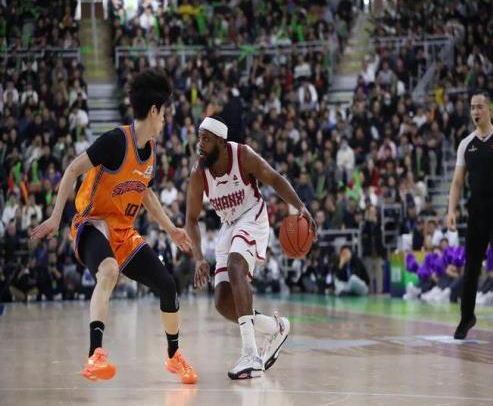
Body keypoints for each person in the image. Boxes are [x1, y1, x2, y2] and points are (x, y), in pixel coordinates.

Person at [31, 69, 198, 384]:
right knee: (108, 271)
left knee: (167, 285)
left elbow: (145, 193)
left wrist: (171, 229)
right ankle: (95, 355)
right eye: (164, 112)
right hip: (91, 223)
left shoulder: (151, 151)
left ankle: (174, 356)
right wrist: (55, 216)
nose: (165, 119)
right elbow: (72, 169)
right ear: (154, 111)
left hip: (123, 232)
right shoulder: (115, 141)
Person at [186, 116, 316, 379]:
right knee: (223, 303)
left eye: (206, 139)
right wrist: (199, 258)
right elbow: (191, 219)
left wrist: (300, 206)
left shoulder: (243, 155)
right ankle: (275, 328)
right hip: (228, 225)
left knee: (236, 266)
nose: (200, 144)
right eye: (199, 138)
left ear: (221, 142)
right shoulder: (199, 173)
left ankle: (250, 354)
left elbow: (275, 179)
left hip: (252, 217)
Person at [446, 90, 493, 339]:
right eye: (472, 107)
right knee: (471, 269)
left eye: (479, 107)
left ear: (489, 109)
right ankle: (467, 317)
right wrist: (451, 211)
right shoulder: (465, 144)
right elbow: (457, 182)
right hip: (477, 213)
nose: (475, 111)